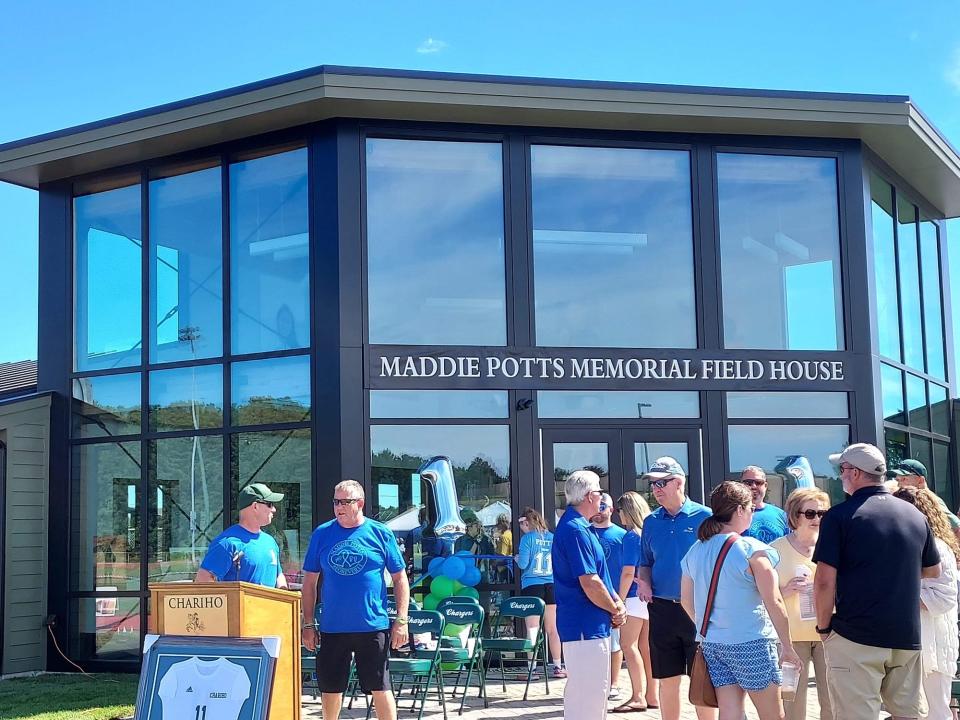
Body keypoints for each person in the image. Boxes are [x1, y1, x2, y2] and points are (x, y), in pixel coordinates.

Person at [813, 443, 941, 720]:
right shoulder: (915, 515)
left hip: (856, 634)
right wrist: (892, 570)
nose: (840, 475)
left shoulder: (840, 516)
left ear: (856, 473)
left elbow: (824, 581)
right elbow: (933, 570)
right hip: (906, 636)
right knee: (907, 715)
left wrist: (823, 628)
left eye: (842, 469)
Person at [681, 481, 800, 720]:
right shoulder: (751, 550)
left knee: (730, 712)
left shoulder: (696, 549)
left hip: (713, 643)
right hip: (752, 641)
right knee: (772, 715)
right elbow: (774, 601)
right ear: (739, 510)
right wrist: (788, 647)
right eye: (750, 509)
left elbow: (686, 600)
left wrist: (709, 627)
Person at [300, 480, 410, 720]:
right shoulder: (323, 533)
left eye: (344, 502)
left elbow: (400, 579)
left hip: (372, 625)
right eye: (335, 502)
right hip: (333, 626)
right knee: (330, 688)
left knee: (380, 687)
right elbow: (309, 583)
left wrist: (402, 620)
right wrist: (308, 624)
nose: (338, 507)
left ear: (359, 503)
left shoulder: (380, 533)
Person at [635, 457, 716, 720]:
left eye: (662, 482)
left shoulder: (705, 517)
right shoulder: (651, 521)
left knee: (702, 678)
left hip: (696, 609)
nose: (656, 489)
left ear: (679, 482)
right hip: (661, 608)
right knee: (667, 678)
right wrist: (644, 580)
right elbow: (645, 562)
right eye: (653, 484)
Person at [552, 470, 627, 720]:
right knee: (589, 698)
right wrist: (615, 609)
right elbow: (590, 582)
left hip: (588, 623)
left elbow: (597, 578)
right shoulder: (575, 529)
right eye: (599, 493)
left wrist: (616, 602)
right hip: (585, 624)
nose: (602, 498)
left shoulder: (579, 527)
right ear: (589, 496)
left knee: (591, 696)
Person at [893, 486, 960, 720]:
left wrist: (899, 593)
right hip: (910, 641)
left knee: (935, 712)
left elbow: (945, 597)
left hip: (933, 644)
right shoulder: (901, 546)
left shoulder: (938, 548)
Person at [770, 488, 833, 720]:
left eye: (823, 513)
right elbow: (762, 594)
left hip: (829, 634)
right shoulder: (775, 550)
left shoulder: (834, 546)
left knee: (832, 701)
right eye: (810, 513)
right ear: (795, 516)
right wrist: (786, 590)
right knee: (792, 701)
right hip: (791, 637)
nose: (817, 519)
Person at [195, 482, 287, 588]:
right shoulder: (227, 543)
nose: (274, 509)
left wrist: (285, 595)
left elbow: (278, 575)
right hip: (240, 604)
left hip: (273, 605)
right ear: (255, 506)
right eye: (270, 504)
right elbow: (203, 580)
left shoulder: (270, 542)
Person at [615, 490, 658, 713]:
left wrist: (619, 601)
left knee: (628, 646)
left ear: (626, 511)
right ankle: (652, 694)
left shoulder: (631, 536)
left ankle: (638, 696)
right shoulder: (648, 533)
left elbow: (628, 572)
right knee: (645, 647)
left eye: (620, 511)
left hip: (633, 595)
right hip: (650, 596)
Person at [516, 506, 565, 677]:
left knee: (532, 628)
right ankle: (558, 666)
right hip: (551, 585)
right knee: (552, 628)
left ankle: (532, 669)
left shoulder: (527, 539)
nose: (520, 527)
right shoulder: (553, 538)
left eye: (522, 523)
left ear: (527, 522)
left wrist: (516, 558)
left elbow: (523, 564)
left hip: (532, 585)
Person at [590, 493, 628, 703]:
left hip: (614, 596)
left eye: (604, 505)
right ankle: (597, 684)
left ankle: (614, 683)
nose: (600, 508)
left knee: (615, 644)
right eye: (598, 504)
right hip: (591, 595)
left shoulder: (621, 535)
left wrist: (621, 598)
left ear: (612, 510)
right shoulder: (585, 533)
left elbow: (630, 568)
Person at [892, 459, 960, 538]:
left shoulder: (931, 501)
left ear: (921, 480)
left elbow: (957, 527)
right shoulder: (907, 499)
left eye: (904, 479)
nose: (899, 484)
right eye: (898, 480)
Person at [738, 466, 789, 544]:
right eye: (748, 482)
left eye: (758, 482)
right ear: (741, 485)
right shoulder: (734, 515)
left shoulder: (781, 515)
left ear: (765, 486)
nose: (753, 486)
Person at [454, 508, 495, 582]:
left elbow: (492, 555)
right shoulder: (460, 541)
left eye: (479, 525)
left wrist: (487, 538)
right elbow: (465, 560)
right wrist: (476, 542)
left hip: (483, 577)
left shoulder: (485, 539)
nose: (479, 527)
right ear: (469, 527)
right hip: (466, 577)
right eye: (476, 525)